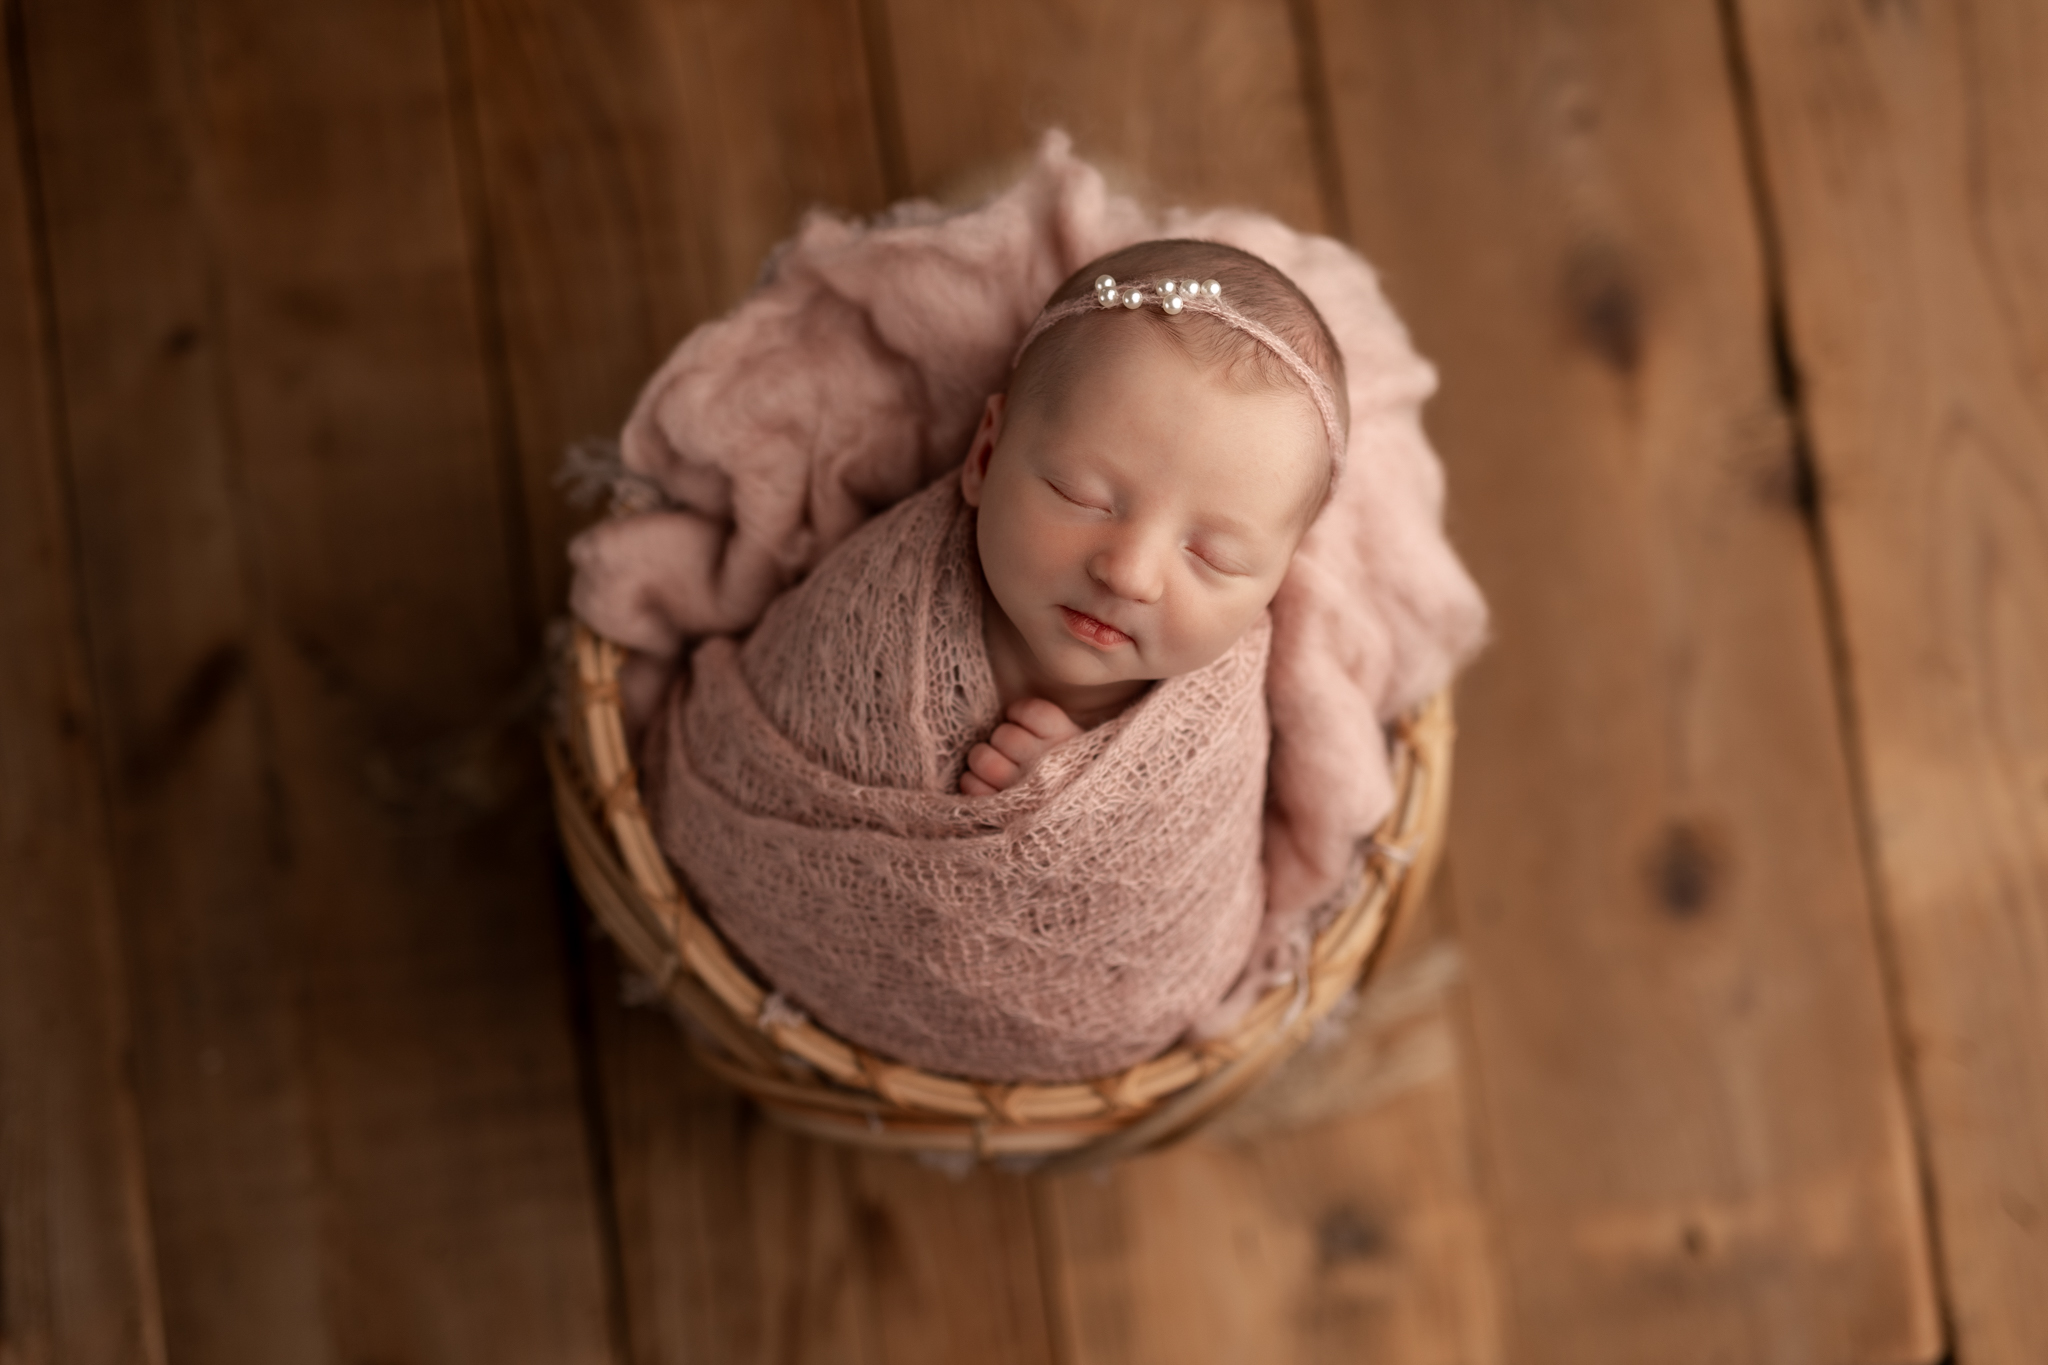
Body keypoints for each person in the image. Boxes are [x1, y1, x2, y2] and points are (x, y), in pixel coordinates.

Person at [955, 237, 1349, 797]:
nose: (1128, 574)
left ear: (1276, 583)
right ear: (986, 457)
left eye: (1214, 556)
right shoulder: (879, 603)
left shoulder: (1208, 747)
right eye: (1081, 497)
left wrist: (1077, 813)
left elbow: (1190, 878)